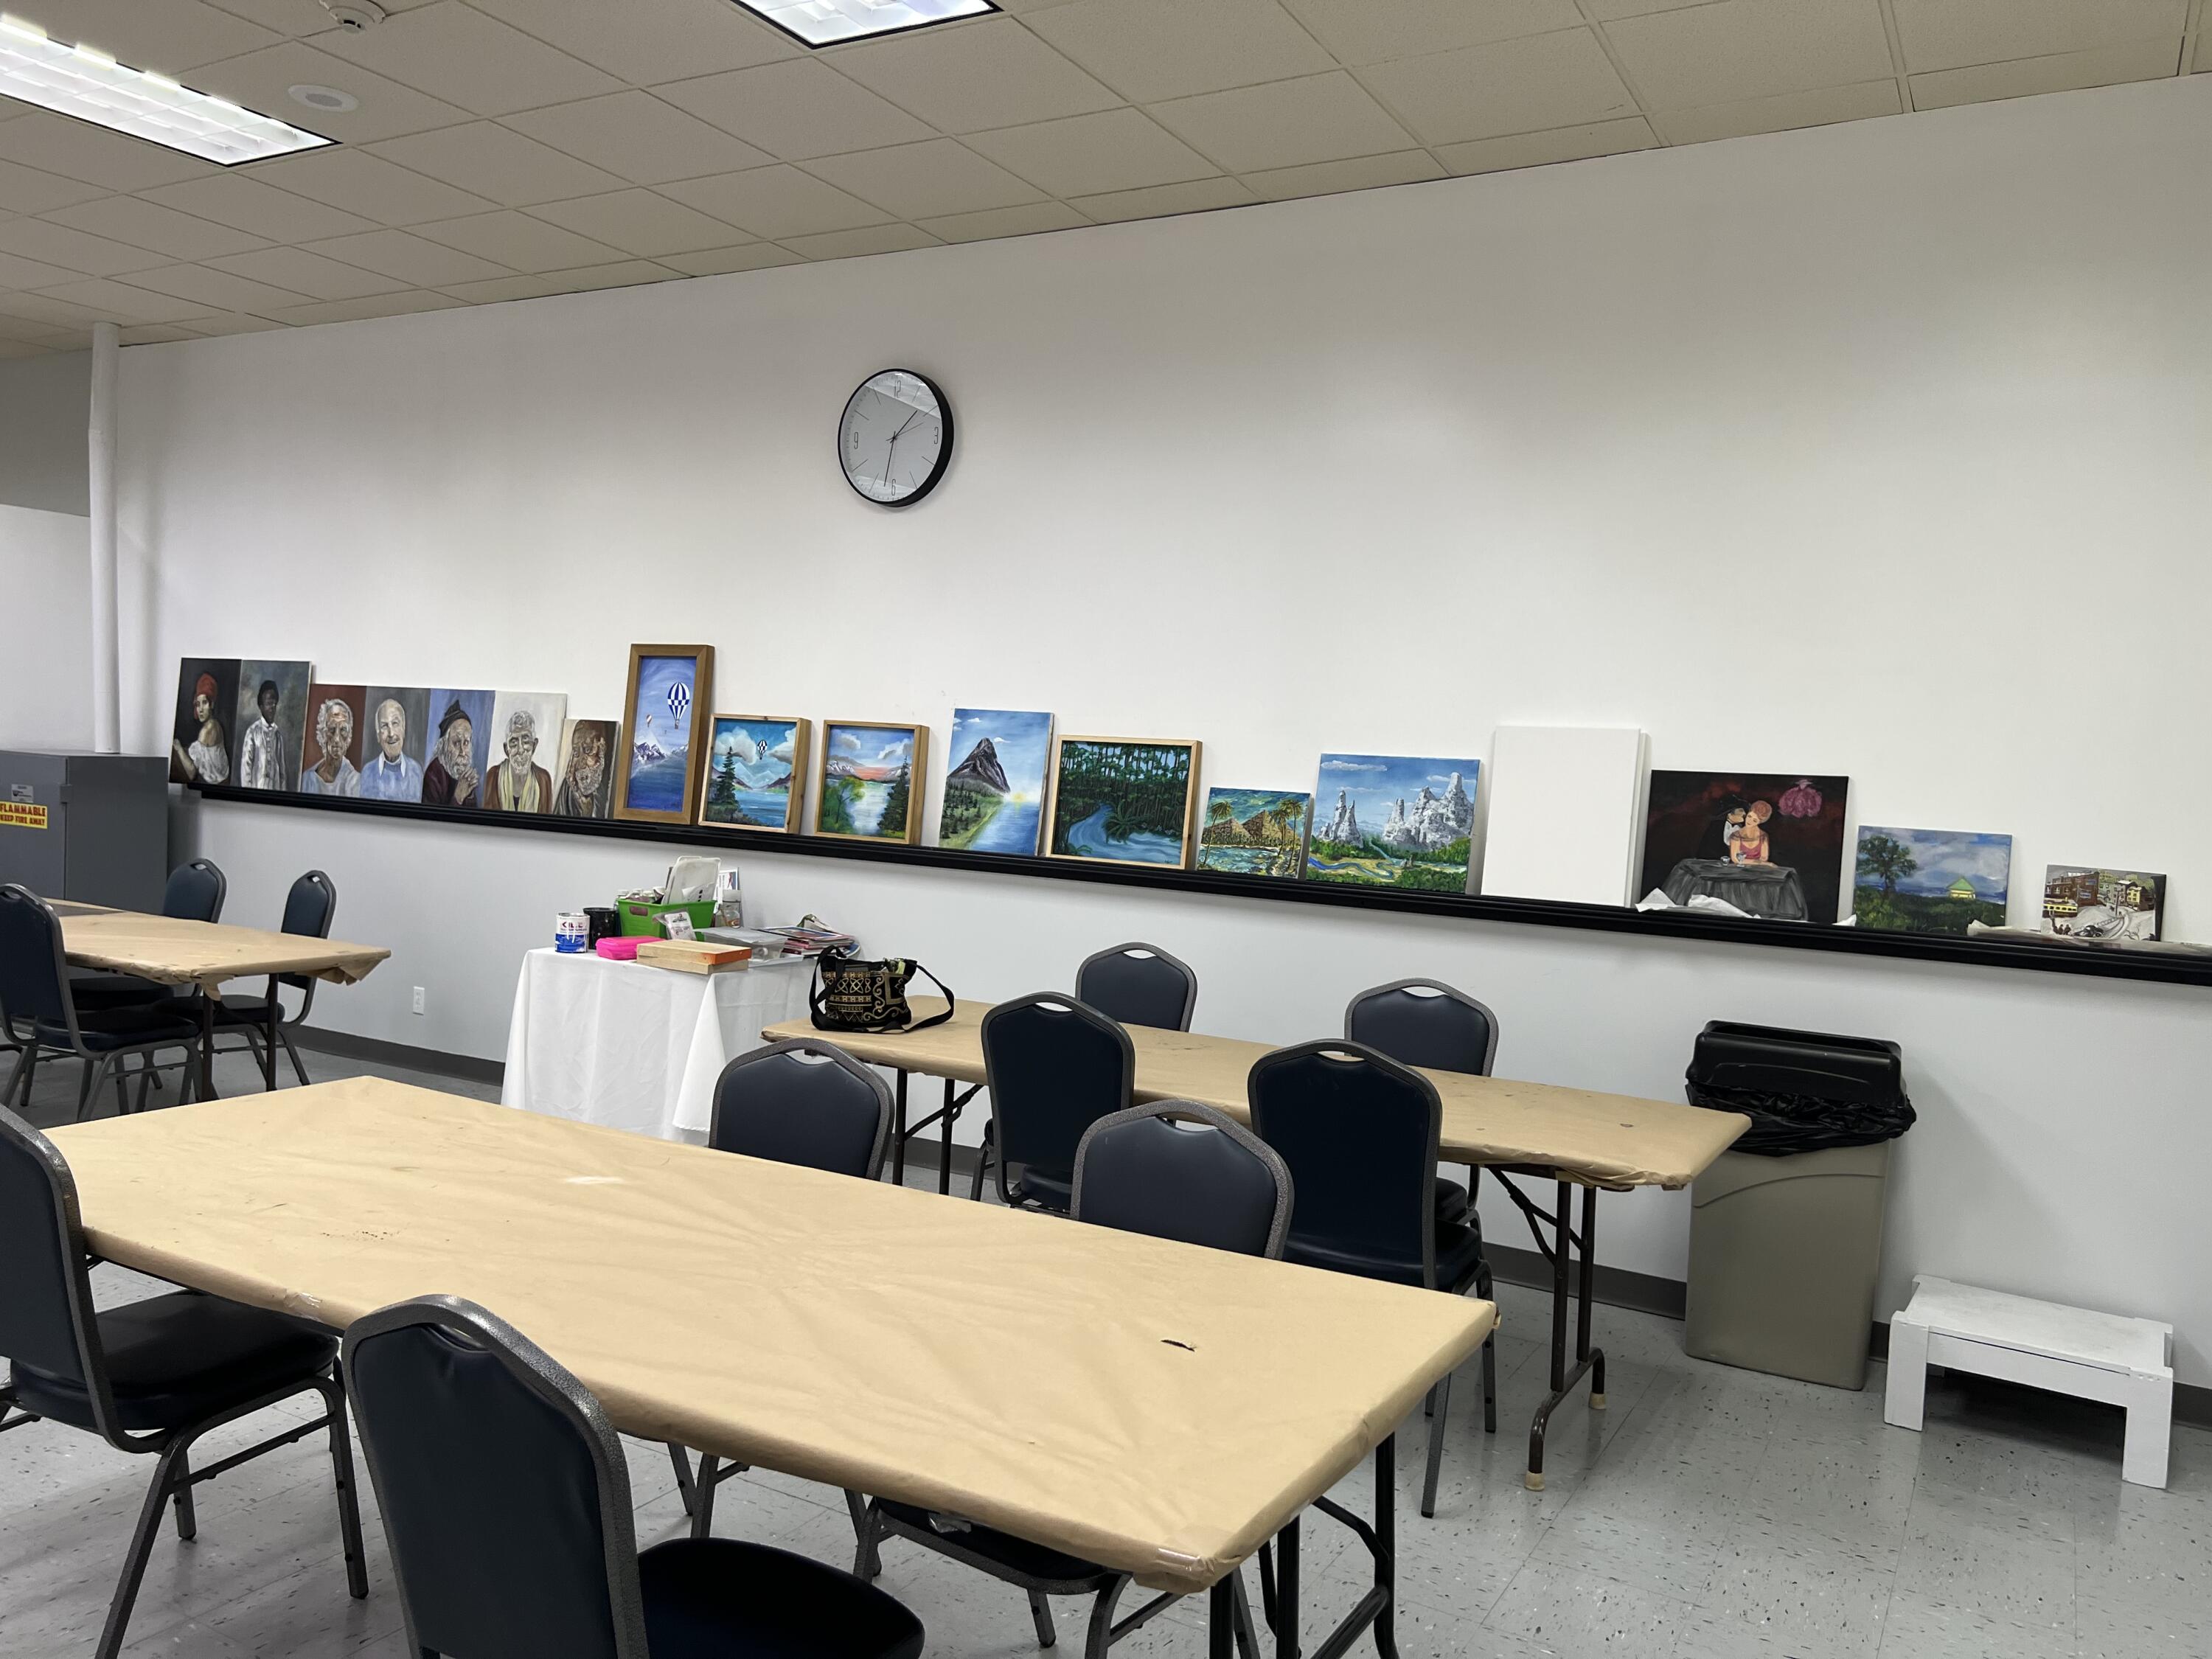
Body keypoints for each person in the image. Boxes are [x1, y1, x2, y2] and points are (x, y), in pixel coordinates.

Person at [481, 709, 552, 812]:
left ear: (534, 745)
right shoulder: (493, 776)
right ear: (506, 749)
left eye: (526, 741)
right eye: (514, 743)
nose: (520, 750)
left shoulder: (543, 779)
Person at [358, 698, 425, 802]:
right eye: (384, 726)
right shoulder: (367, 773)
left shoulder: (416, 772)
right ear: (378, 735)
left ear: (403, 729)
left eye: (395, 723)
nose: (391, 733)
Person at [420, 700, 480, 809]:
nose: (462, 752)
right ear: (444, 745)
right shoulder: (433, 775)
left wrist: (470, 795)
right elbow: (433, 821)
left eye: (466, 743)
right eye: (457, 743)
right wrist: (458, 798)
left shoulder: (464, 772)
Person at [171, 673, 229, 785]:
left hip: (215, 787)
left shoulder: (208, 730)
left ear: (211, 704)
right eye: (198, 704)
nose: (200, 709)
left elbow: (192, 773)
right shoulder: (216, 724)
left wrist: (178, 748)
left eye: (205, 703)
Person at [299, 698, 361, 796]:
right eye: (332, 729)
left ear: (349, 736)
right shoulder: (307, 778)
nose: (337, 738)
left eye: (343, 730)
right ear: (323, 733)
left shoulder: (355, 782)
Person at [552, 721, 612, 818]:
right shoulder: (568, 788)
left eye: (588, 750)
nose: (580, 764)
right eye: (576, 753)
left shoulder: (610, 783)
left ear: (602, 747)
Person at [237, 679, 286, 790]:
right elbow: (246, 768)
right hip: (256, 792)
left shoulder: (278, 736)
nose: (272, 708)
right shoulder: (253, 732)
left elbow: (282, 772)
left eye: (274, 704)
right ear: (261, 706)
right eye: (269, 704)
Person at [1731, 800, 1774, 866]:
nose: (1750, 821)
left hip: (1757, 870)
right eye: (1749, 816)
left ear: (1760, 822)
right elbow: (1735, 859)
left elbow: (1764, 858)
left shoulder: (1763, 836)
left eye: (1755, 820)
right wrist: (1758, 862)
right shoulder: (1736, 835)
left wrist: (1755, 863)